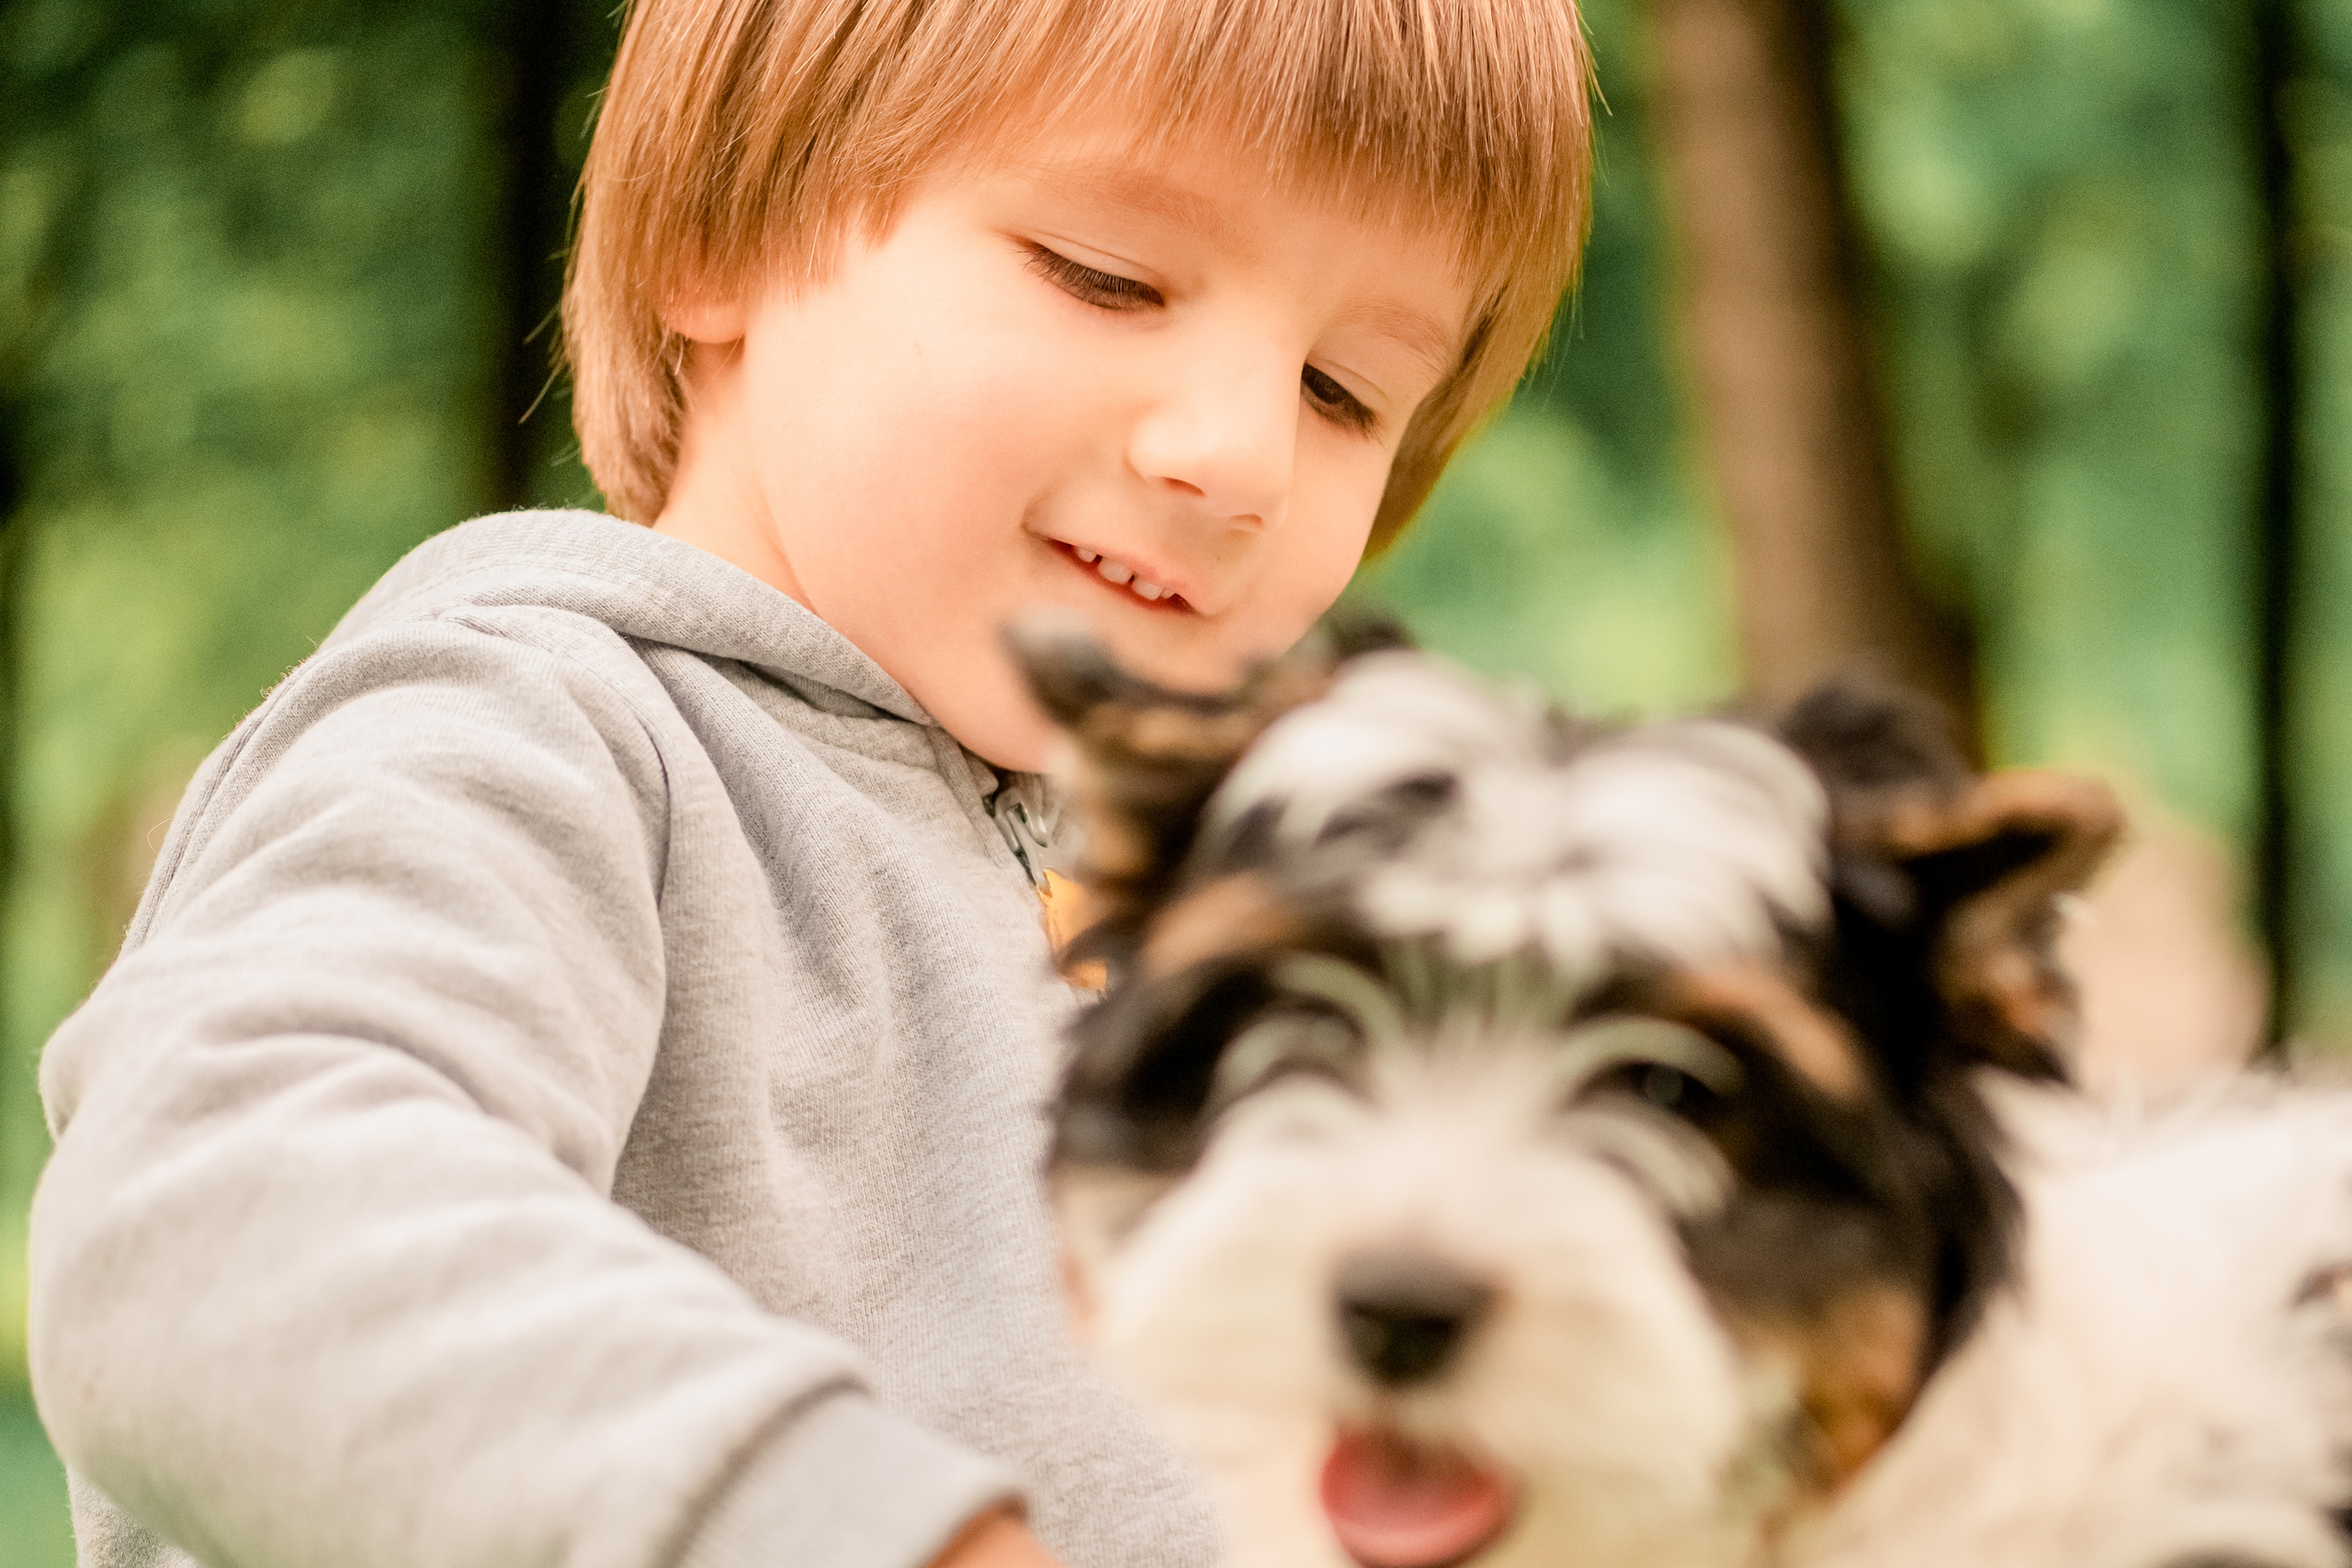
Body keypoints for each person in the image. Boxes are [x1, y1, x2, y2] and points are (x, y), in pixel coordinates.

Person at [27, 2, 1594, 1565]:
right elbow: (207, 1226)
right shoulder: (532, 730)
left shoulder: (1192, 917)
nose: (1242, 454)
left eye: (1345, 393)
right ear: (720, 238)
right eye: (1107, 277)